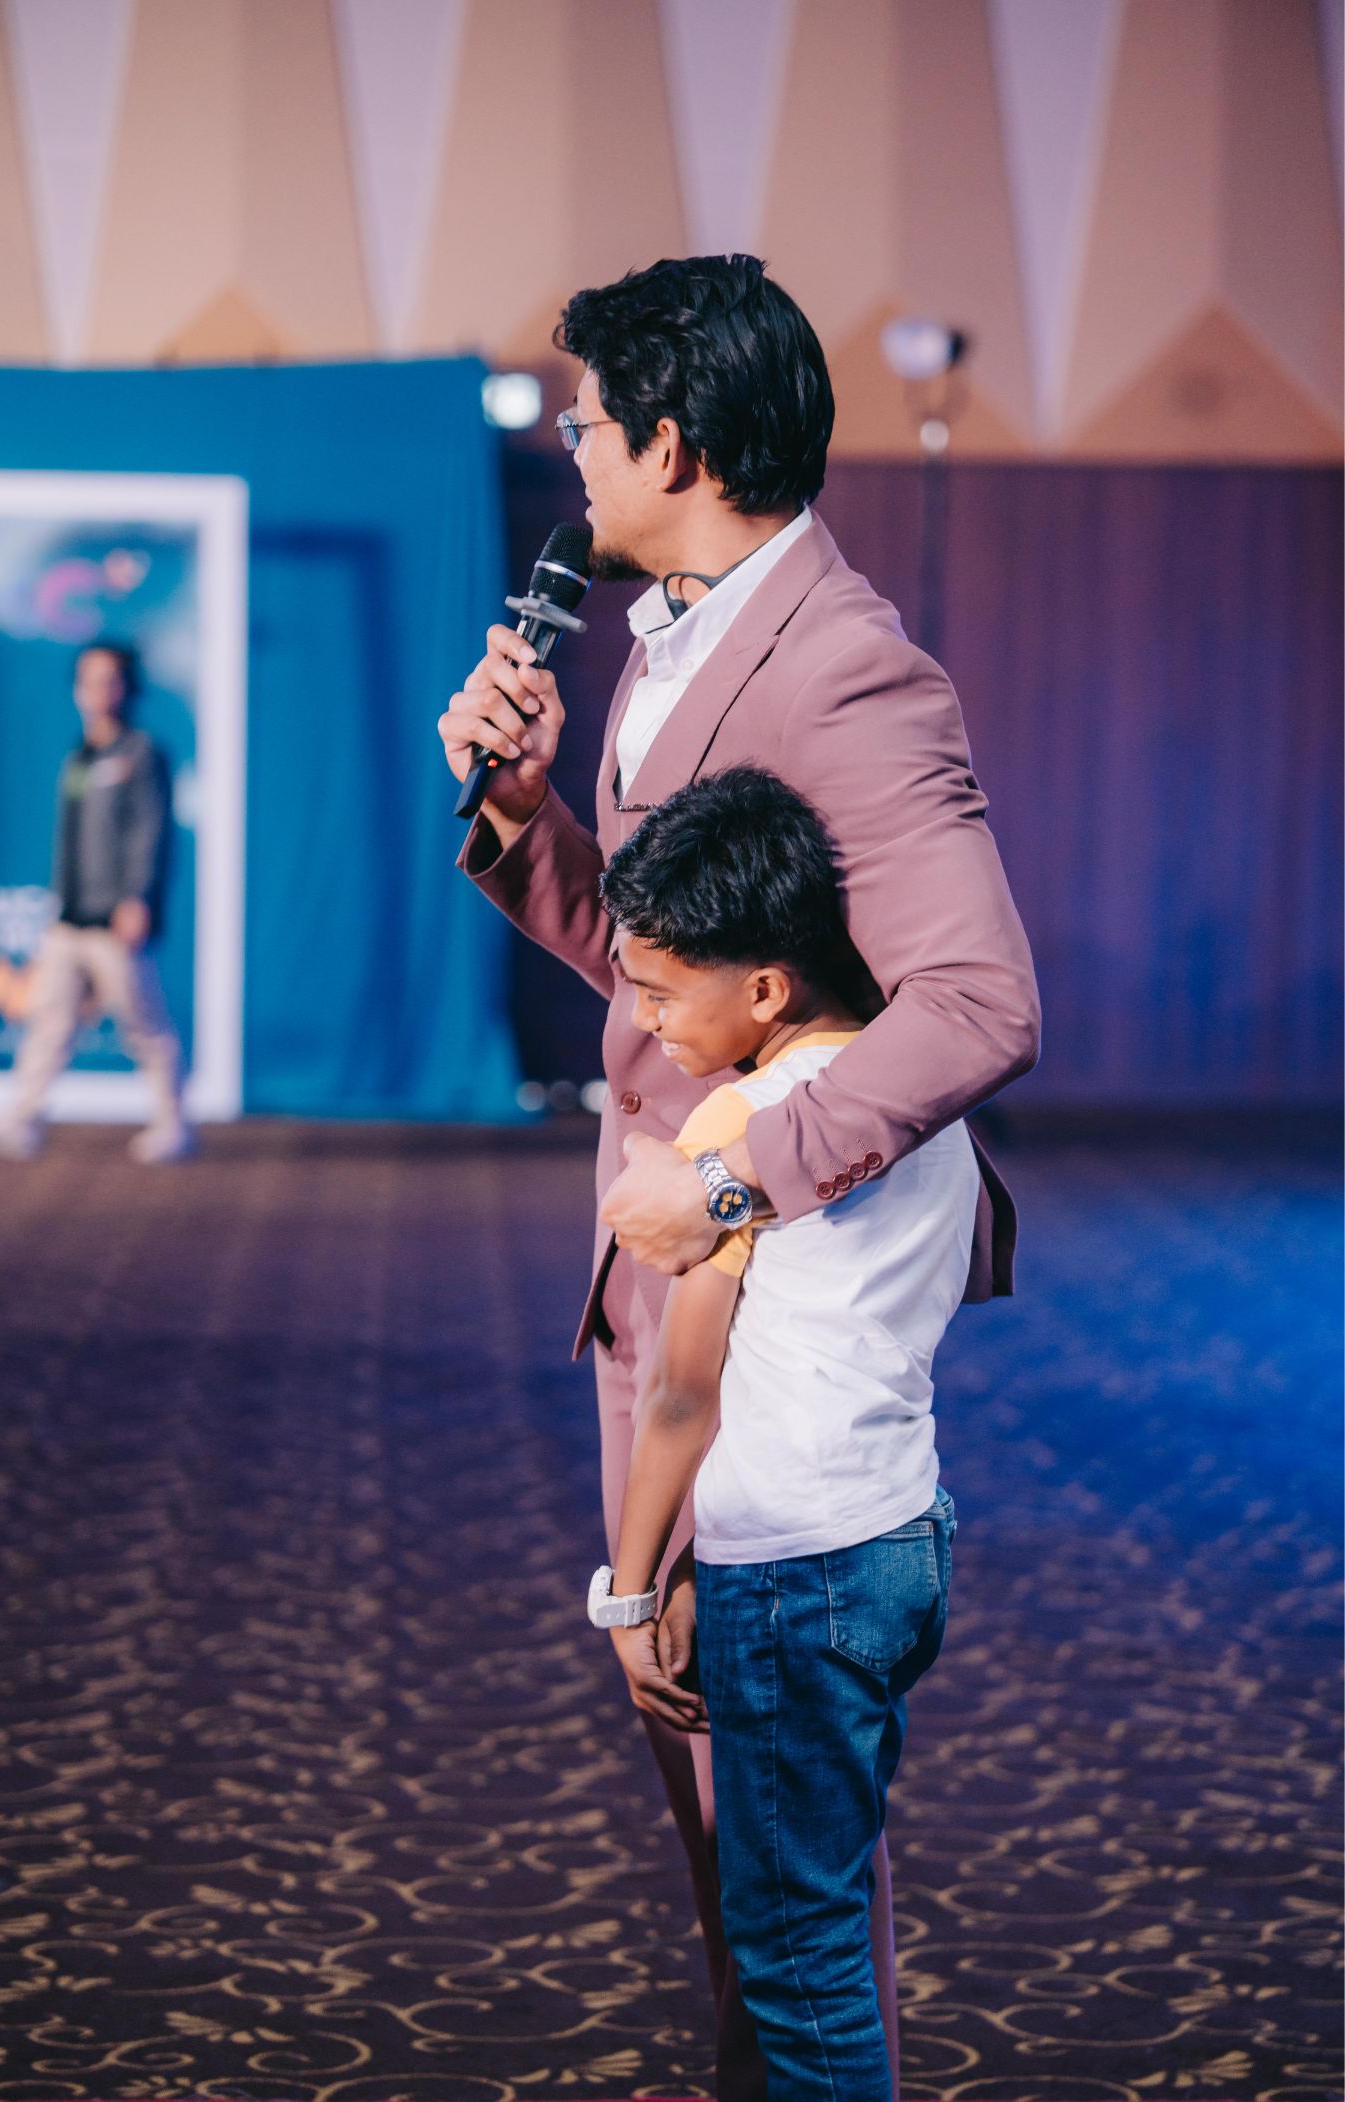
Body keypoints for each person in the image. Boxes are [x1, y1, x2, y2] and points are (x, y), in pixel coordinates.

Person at [438, 253, 1040, 2102]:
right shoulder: (669, 633)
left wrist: (731, 1187)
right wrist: (522, 817)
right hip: (663, 1266)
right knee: (719, 1798)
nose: (571, 454)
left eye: (587, 426)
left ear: (675, 443)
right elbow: (668, 983)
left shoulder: (847, 666)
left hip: (757, 1296)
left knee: (782, 1830)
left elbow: (979, 1002)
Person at [591, 765, 970, 2100]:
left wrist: (629, 1587)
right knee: (818, 1906)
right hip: (900, 1542)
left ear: (762, 987)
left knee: (798, 1956)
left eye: (657, 990)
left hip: (796, 1572)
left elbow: (680, 1391)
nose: (641, 1019)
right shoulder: (919, 1101)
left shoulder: (734, 1130)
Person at [0, 641, 194, 1165]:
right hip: (70, 920)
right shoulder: (78, 755)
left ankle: (174, 1124)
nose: (98, 690)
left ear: (127, 687)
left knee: (144, 1025)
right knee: (48, 1022)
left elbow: (150, 832)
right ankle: (20, 1123)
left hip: (116, 921)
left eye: (109, 679)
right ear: (77, 689)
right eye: (89, 680)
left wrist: (138, 898)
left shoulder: (140, 753)